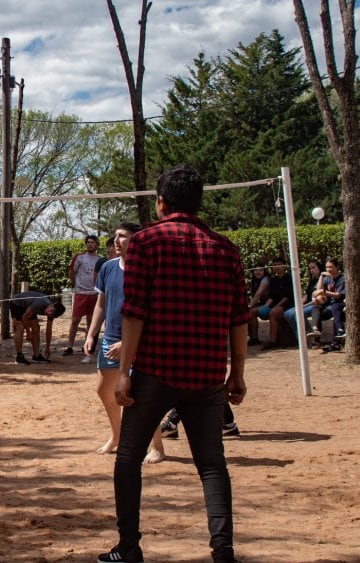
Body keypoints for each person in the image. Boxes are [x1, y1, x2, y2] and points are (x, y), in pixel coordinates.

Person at [98, 165, 248, 563]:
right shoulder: (226, 248)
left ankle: (128, 548)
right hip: (207, 373)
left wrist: (125, 372)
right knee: (212, 466)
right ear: (199, 202)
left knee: (129, 457)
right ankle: (223, 552)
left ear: (160, 202)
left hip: (154, 370)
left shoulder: (146, 243)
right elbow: (238, 319)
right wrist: (238, 373)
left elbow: (135, 313)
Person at [84, 222, 165, 463]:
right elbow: (101, 304)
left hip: (138, 341)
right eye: (115, 236)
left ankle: (157, 446)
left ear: (136, 240)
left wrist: (129, 343)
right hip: (110, 339)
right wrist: (91, 334)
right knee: (104, 390)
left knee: (138, 396)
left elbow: (153, 311)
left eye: (123, 236)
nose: (116, 241)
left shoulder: (146, 269)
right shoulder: (108, 268)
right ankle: (117, 436)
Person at [64, 234, 100, 362]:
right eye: (88, 242)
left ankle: (87, 346)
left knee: (91, 323)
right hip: (80, 294)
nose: (90, 244)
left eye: (92, 242)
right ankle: (69, 347)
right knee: (75, 321)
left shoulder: (100, 260)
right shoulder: (79, 258)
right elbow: (72, 272)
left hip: (94, 294)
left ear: (97, 245)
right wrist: (76, 285)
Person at [9, 290, 65, 365]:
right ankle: (19, 357)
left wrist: (48, 347)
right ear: (52, 305)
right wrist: (28, 333)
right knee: (20, 328)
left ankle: (36, 355)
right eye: (51, 311)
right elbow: (24, 318)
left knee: (36, 328)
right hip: (17, 304)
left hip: (29, 306)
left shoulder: (52, 313)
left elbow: (49, 330)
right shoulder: (41, 303)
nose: (49, 313)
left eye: (51, 315)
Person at [307, 258, 346, 352]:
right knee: (316, 308)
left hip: (340, 303)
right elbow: (318, 290)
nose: (328, 269)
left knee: (335, 308)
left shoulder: (342, 278)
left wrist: (324, 292)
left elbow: (338, 295)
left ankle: (338, 338)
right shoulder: (327, 278)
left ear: (337, 267)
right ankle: (316, 331)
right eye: (327, 267)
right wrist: (321, 276)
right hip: (329, 305)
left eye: (331, 267)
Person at [282, 260, 323, 343]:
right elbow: (307, 295)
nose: (311, 270)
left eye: (313, 267)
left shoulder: (323, 280)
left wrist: (302, 306)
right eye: (310, 268)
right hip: (308, 304)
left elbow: (318, 299)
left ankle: (308, 335)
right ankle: (300, 335)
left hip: (316, 305)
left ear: (319, 268)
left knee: (298, 313)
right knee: (287, 314)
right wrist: (299, 304)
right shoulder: (312, 281)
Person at [260, 257, 294, 350]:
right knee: (255, 311)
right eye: (274, 265)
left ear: (284, 266)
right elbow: (271, 296)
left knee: (273, 313)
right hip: (275, 304)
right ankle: (254, 338)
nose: (276, 267)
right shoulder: (273, 280)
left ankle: (273, 341)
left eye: (279, 264)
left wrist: (275, 307)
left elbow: (286, 297)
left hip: (287, 305)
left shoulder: (289, 278)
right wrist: (265, 306)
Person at [245, 263, 270, 346]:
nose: (257, 272)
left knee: (251, 311)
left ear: (264, 271)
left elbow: (258, 294)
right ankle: (251, 336)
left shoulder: (265, 280)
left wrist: (250, 306)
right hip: (262, 303)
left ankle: (254, 337)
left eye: (260, 270)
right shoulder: (254, 281)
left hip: (269, 304)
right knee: (246, 312)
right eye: (255, 270)